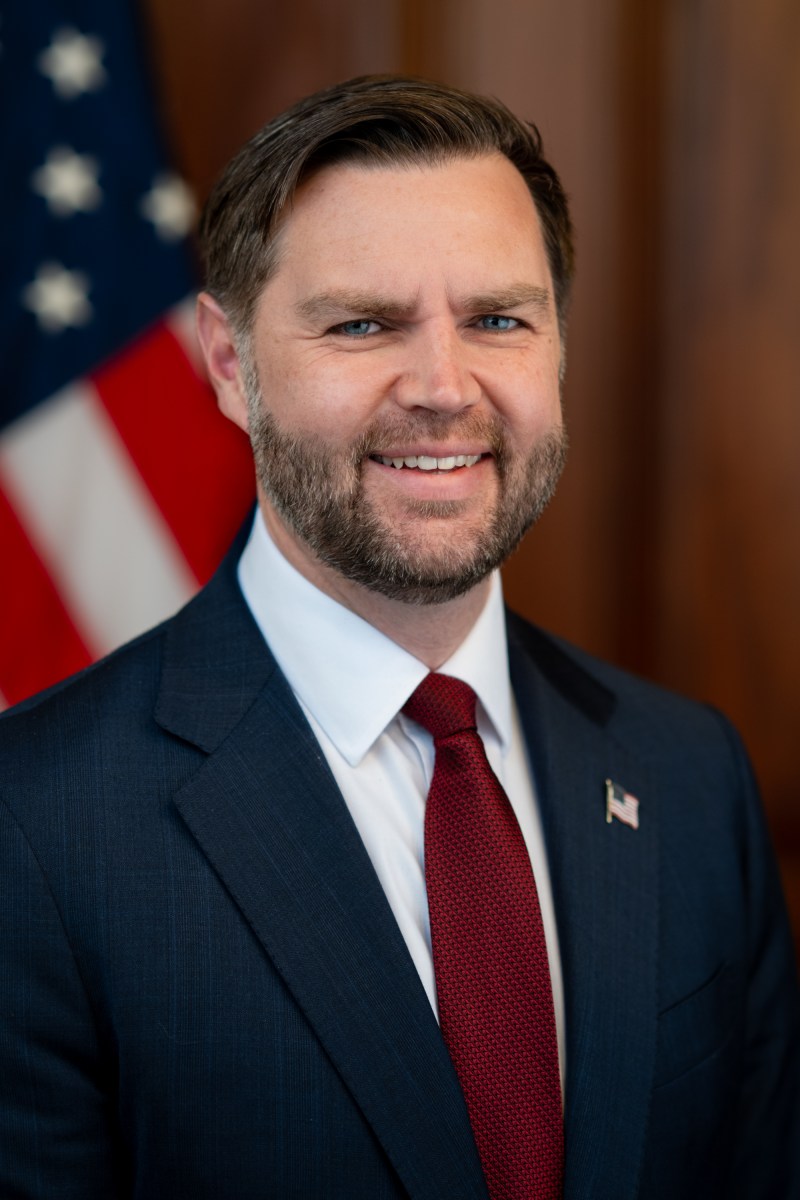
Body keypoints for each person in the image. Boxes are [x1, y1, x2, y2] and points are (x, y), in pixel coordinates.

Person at [1, 74, 798, 1200]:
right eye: (361, 324)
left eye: (497, 320)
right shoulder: (34, 826)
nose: (440, 388)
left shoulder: (687, 775)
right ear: (230, 366)